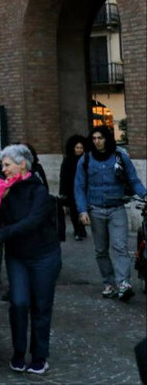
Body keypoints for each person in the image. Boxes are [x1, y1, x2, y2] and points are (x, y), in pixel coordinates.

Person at [0, 144, 61, 375]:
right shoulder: (5, 190)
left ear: (22, 164)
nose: (3, 169)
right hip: (17, 257)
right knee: (19, 303)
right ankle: (19, 352)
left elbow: (32, 222)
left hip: (44, 256)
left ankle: (40, 356)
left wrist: (1, 235)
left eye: (7, 165)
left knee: (41, 306)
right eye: (2, 165)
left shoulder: (39, 191)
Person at [74, 126, 146, 302]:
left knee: (120, 246)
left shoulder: (120, 156)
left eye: (100, 138)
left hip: (117, 207)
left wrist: (145, 195)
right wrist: (82, 210)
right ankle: (108, 283)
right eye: (94, 138)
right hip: (95, 209)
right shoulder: (85, 160)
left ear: (107, 139)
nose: (97, 141)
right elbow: (79, 187)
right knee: (100, 250)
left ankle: (124, 283)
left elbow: (133, 179)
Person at [58, 135, 89, 240]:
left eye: (81, 148)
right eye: (77, 148)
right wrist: (63, 191)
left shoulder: (85, 160)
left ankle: (82, 228)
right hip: (70, 189)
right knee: (74, 211)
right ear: (73, 148)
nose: (79, 150)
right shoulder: (67, 160)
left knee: (82, 209)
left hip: (83, 188)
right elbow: (63, 176)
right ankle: (77, 230)